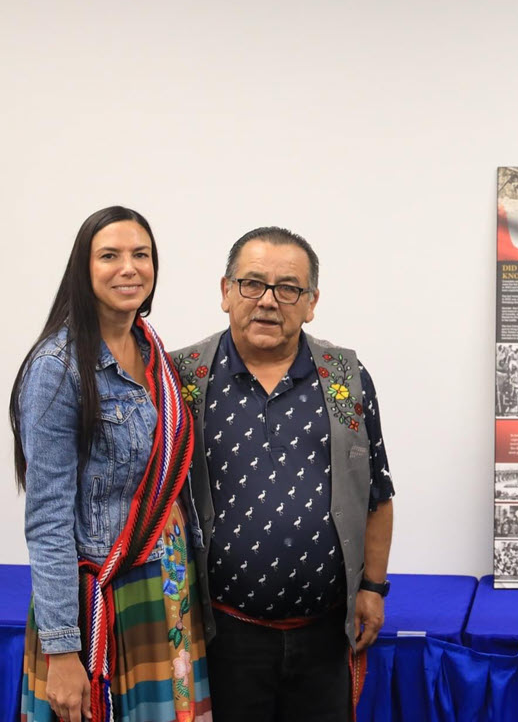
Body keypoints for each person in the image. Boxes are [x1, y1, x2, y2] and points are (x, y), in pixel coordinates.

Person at [171, 227, 395, 722]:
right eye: (253, 283)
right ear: (226, 291)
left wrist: (373, 588)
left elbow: (377, 494)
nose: (269, 301)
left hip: (325, 634)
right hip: (220, 634)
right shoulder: (181, 378)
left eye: (289, 288)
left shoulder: (346, 378)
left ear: (311, 302)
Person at [10, 207, 211, 722]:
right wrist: (62, 649)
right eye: (109, 256)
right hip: (101, 598)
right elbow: (48, 519)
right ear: (84, 268)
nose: (128, 268)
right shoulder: (56, 368)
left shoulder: (153, 352)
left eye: (141, 254)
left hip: (167, 586)